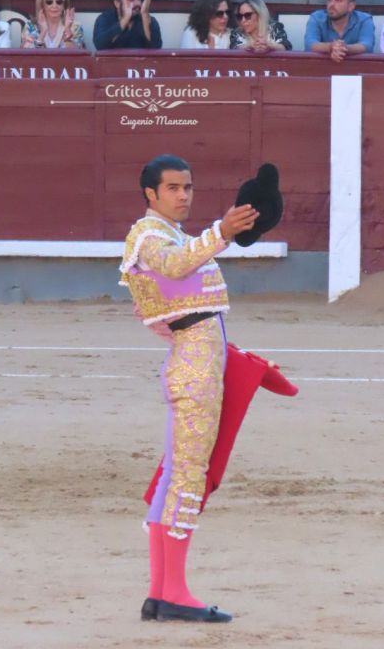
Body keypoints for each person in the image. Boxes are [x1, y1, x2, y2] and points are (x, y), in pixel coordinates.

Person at [120, 154, 260, 625]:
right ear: (151, 194)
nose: (183, 196)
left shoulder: (173, 235)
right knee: (186, 477)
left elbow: (185, 308)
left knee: (175, 476)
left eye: (188, 187)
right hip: (194, 370)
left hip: (196, 362)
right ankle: (175, 593)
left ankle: (160, 594)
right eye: (173, 188)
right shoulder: (150, 236)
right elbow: (175, 267)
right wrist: (222, 232)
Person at [303, 0, 374, 59]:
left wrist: (345, 48)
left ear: (351, 6)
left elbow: (367, 46)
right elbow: (309, 44)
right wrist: (330, 47)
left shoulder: (364, 20)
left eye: (338, 0)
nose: (332, 4)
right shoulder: (317, 18)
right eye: (330, 0)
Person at [93, 0, 162, 50]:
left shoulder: (148, 20)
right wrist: (125, 19)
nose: (137, 3)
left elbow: (156, 49)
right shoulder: (105, 19)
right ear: (117, 3)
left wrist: (144, 15)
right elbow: (100, 46)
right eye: (131, 0)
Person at [21, 0, 85, 48]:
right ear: (42, 5)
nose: (54, 5)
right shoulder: (30, 26)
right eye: (49, 2)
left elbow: (74, 53)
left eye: (59, 1)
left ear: (64, 5)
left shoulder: (75, 26)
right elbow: (28, 52)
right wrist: (42, 33)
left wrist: (67, 31)